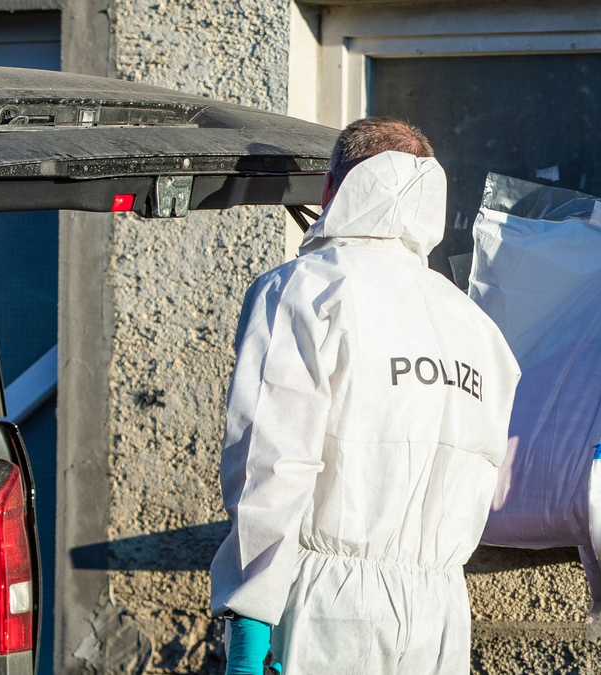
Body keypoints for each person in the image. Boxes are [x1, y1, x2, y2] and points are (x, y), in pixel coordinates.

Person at [209, 117, 521, 675]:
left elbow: (271, 460)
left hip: (326, 608)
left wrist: (251, 609)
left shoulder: (305, 289)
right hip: (440, 615)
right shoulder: (476, 326)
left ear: (333, 190)